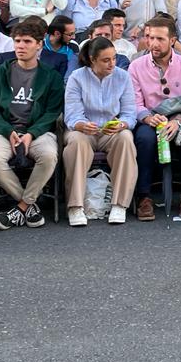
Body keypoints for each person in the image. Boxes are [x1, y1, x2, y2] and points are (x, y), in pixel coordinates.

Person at [0, 21, 64, 230]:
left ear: (39, 45)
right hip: (4, 130)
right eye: (17, 41)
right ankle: (28, 205)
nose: (20, 46)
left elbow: (52, 112)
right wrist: (7, 131)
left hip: (37, 131)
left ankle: (21, 206)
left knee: (48, 156)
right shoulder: (1, 72)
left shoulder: (51, 76)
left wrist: (32, 134)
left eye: (27, 41)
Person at [128, 17, 181, 221]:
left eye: (160, 38)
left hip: (180, 118)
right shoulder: (136, 66)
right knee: (144, 140)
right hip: (150, 118)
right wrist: (145, 117)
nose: (153, 43)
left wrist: (178, 121)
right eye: (150, 37)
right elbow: (133, 101)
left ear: (172, 40)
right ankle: (143, 196)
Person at [63, 37, 139, 226]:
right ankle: (76, 206)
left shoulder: (123, 76)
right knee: (76, 142)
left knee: (126, 138)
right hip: (83, 130)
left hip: (110, 130)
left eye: (114, 58)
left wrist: (122, 124)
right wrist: (81, 124)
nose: (112, 64)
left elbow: (130, 113)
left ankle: (119, 204)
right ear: (92, 59)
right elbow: (72, 115)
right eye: (106, 60)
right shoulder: (77, 77)